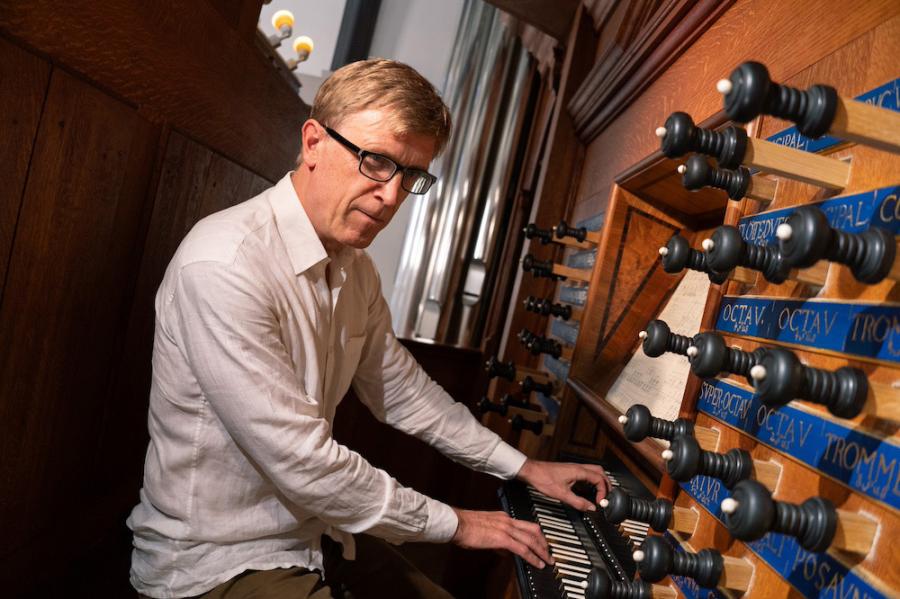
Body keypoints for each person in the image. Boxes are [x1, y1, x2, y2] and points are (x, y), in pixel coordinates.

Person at [128, 58, 610, 599]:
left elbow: (403, 392)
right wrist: (462, 524)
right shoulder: (224, 265)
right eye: (377, 162)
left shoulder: (355, 269)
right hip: (215, 564)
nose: (391, 196)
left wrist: (524, 468)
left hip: (314, 534)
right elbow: (304, 464)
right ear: (313, 142)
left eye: (411, 176)